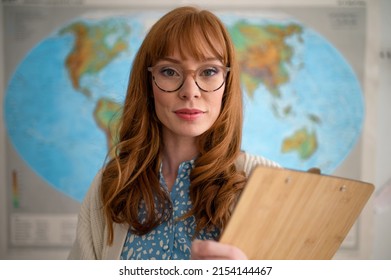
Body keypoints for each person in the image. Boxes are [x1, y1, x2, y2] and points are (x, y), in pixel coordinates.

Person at [68, 5, 280, 260]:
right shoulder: (110, 184)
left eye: (209, 71)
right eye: (169, 71)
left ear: (227, 82)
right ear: (148, 83)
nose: (190, 91)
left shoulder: (266, 182)